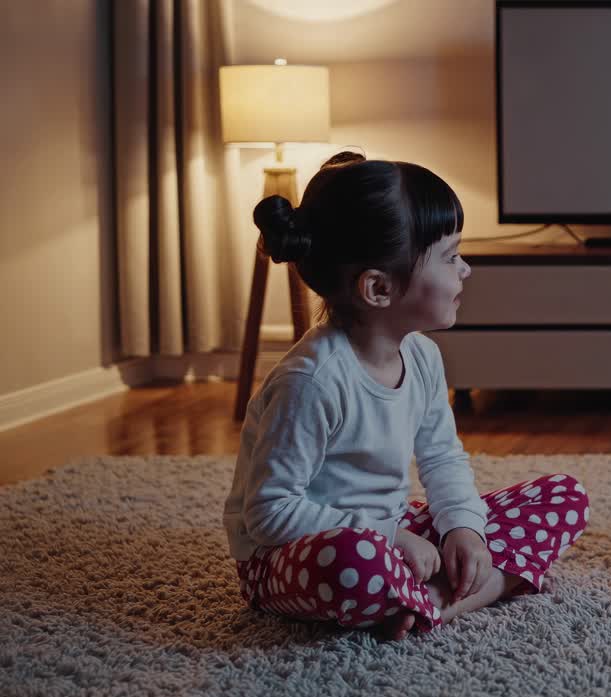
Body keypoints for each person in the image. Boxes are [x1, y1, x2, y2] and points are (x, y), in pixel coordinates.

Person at [224, 151, 589, 640]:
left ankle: (430, 600)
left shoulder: (422, 357)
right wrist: (389, 538)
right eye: (450, 257)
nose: (466, 271)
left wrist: (463, 530)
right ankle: (462, 593)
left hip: (394, 528)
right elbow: (269, 513)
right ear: (378, 288)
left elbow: (441, 457)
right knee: (356, 562)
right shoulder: (310, 382)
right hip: (293, 556)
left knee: (564, 496)